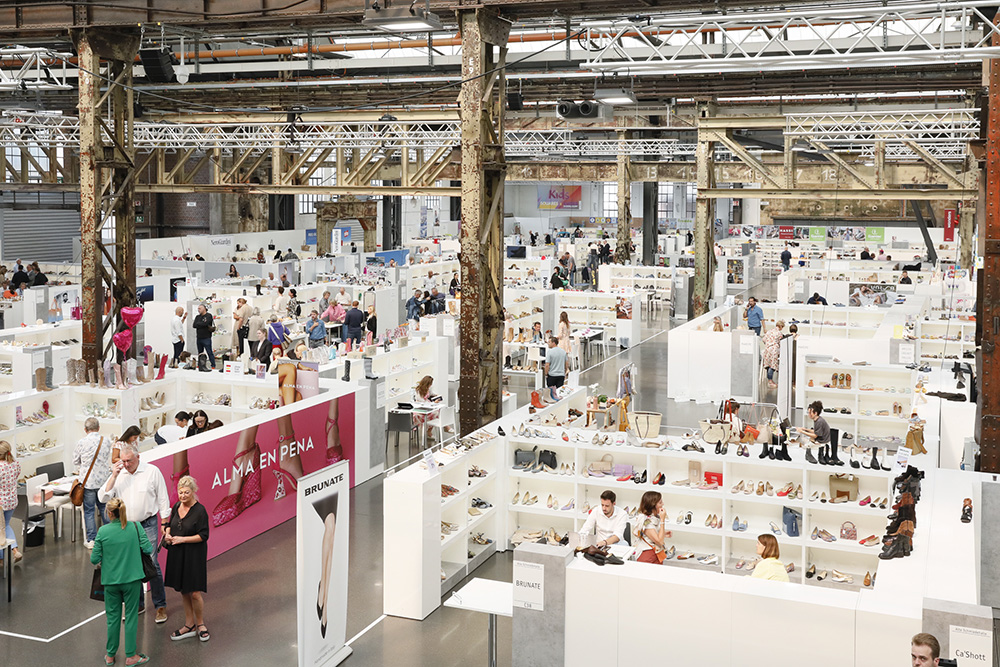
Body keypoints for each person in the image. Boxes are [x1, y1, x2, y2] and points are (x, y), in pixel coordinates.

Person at [99, 441, 171, 623]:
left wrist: (165, 521)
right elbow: (103, 497)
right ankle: (138, 604)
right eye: (123, 461)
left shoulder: (151, 471)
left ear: (138, 457)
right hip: (127, 526)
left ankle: (160, 605)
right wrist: (114, 476)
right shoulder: (119, 475)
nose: (126, 464)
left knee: (152, 563)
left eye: (129, 460)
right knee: (132, 566)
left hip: (147, 523)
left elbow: (163, 497)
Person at [92, 497, 154, 666]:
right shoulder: (135, 526)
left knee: (112, 618)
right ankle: (131, 656)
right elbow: (148, 549)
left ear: (110, 513)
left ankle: (110, 656)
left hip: (110, 582)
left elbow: (94, 558)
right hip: (132, 581)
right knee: (132, 617)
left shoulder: (103, 532)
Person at [164, 475, 210, 643]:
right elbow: (169, 525)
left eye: (186, 493)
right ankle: (189, 625)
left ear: (193, 492)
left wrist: (182, 539)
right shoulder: (176, 506)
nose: (182, 496)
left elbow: (204, 535)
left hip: (194, 555)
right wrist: (168, 533)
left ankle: (201, 624)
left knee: (195, 592)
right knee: (184, 590)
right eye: (180, 492)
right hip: (178, 554)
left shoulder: (200, 511)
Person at [73, 417, 112, 548]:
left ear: (85, 429)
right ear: (98, 428)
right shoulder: (106, 441)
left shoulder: (81, 442)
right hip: (103, 481)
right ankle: (109, 537)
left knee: (89, 511)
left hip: (88, 482)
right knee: (104, 508)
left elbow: (75, 461)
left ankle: (91, 540)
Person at [0, 441, 22, 564]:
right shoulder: (15, 464)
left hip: (1, 503)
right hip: (12, 501)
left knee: (0, 528)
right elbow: (16, 476)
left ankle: (1, 558)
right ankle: (15, 550)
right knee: (6, 525)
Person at [634, 491, 671, 563]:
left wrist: (664, 534)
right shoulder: (647, 522)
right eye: (660, 503)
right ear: (653, 505)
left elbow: (651, 535)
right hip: (648, 555)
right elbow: (659, 541)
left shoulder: (652, 518)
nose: (663, 504)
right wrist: (662, 519)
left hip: (654, 553)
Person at [761, 320, 786, 388]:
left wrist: (768, 344)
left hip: (767, 349)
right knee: (772, 365)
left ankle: (769, 380)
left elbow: (763, 339)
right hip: (774, 350)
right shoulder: (779, 333)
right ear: (781, 327)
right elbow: (781, 343)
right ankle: (770, 381)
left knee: (768, 365)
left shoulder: (769, 331)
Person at [192, 304, 215, 370]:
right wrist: (201, 323)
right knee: (200, 352)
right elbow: (194, 325)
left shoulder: (209, 316)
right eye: (198, 308)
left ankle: (213, 365)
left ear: (204, 308)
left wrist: (199, 324)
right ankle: (200, 365)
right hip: (199, 337)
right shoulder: (197, 317)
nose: (198, 310)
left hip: (206, 337)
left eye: (200, 308)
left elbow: (206, 323)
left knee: (209, 352)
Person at [544, 336, 567, 402]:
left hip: (552, 375)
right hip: (561, 375)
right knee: (559, 393)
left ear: (553, 343)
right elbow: (566, 363)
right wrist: (565, 371)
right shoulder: (563, 351)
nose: (548, 343)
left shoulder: (550, 352)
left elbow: (547, 364)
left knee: (550, 394)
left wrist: (546, 373)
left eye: (549, 342)